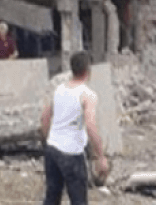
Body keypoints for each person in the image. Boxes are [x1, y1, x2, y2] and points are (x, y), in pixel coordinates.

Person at [40, 52, 109, 205]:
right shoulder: (87, 95)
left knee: (52, 197)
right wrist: (100, 156)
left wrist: (47, 141)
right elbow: (90, 126)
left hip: (52, 149)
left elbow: (45, 118)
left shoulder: (58, 90)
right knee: (78, 200)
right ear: (88, 70)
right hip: (72, 153)